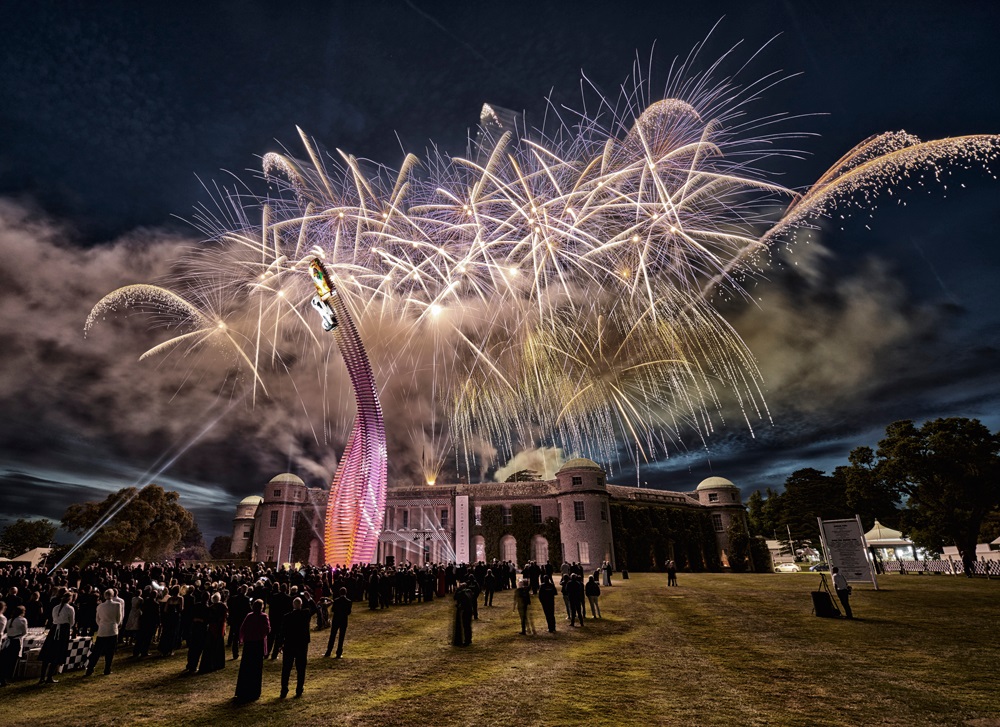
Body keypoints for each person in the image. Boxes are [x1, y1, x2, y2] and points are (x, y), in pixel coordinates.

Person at [234, 599, 270, 703]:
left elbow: (243, 628)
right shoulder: (264, 617)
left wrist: (242, 639)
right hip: (258, 644)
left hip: (249, 645)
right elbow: (267, 629)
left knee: (246, 667)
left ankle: (243, 690)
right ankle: (254, 692)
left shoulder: (249, 616)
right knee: (256, 668)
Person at [39, 591, 75, 684]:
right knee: (57, 652)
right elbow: (71, 622)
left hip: (54, 628)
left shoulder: (55, 608)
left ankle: (43, 677)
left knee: (48, 652)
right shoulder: (70, 608)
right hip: (63, 630)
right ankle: (49, 676)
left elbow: (54, 618)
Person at [280, 597, 312, 698]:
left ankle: (284, 689)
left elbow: (283, 632)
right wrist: (309, 598)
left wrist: (280, 644)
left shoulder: (287, 616)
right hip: (301, 645)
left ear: (293, 605)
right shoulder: (305, 614)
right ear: (301, 605)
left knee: (286, 669)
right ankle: (299, 689)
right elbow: (314, 608)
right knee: (301, 668)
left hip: (289, 644)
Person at [86, 589, 123, 676]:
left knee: (97, 651)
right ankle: (107, 669)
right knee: (110, 651)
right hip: (112, 629)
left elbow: (97, 619)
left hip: (102, 630)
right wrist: (115, 624)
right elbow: (119, 618)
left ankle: (90, 668)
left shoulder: (100, 606)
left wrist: (102, 624)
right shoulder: (117, 605)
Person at [199, 592, 228, 673]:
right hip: (219, 628)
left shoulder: (211, 608)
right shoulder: (223, 607)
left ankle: (211, 664)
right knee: (218, 646)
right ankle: (218, 663)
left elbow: (208, 619)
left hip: (212, 629)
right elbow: (224, 617)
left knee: (210, 647)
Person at [1, 604, 27, 686]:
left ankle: (3, 678)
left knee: (5, 660)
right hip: (15, 641)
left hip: (9, 641)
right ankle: (7, 677)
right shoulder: (22, 620)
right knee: (11, 661)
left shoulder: (10, 620)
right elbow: (24, 632)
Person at [325, 587, 352, 658]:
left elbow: (333, 609)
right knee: (341, 637)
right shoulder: (348, 601)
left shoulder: (336, 601)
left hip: (336, 619)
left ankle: (328, 651)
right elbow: (349, 612)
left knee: (332, 635)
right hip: (343, 620)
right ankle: (339, 653)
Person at [227, 584, 251, 660]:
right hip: (242, 620)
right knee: (243, 636)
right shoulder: (246, 599)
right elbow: (249, 610)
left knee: (235, 637)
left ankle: (235, 653)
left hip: (235, 619)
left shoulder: (234, 598)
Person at [452, 580, 474, 646]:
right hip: (470, 610)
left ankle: (466, 640)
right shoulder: (469, 591)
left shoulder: (462, 593)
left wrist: (458, 589)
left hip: (465, 610)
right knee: (468, 625)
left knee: (465, 625)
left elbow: (455, 597)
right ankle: (469, 639)